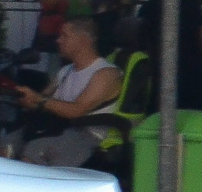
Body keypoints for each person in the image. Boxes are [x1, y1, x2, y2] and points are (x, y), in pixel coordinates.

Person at [11, 14, 120, 166]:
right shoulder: (65, 71)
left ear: (84, 40)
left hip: (86, 134)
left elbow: (76, 111)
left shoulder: (106, 74)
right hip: (59, 127)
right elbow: (43, 100)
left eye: (65, 36)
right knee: (9, 142)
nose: (58, 40)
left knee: (35, 150)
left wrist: (39, 99)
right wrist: (26, 98)